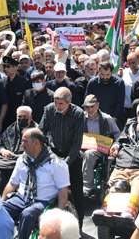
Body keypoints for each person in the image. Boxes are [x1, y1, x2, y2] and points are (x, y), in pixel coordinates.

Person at [2, 128, 70, 239]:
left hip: (42, 202)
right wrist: (2, 201)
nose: (22, 144)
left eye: (25, 141)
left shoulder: (56, 163)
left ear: (36, 143)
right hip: (21, 199)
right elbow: (12, 184)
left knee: (27, 214)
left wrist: (58, 216)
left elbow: (63, 190)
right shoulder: (22, 159)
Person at [39, 87, 85, 224]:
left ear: (69, 102)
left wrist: (66, 162)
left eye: (61, 104)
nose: (57, 106)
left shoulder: (78, 114)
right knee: (50, 190)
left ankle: (79, 225)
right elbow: (41, 132)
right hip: (53, 154)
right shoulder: (49, 109)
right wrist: (50, 154)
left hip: (72, 155)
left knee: (77, 192)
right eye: (55, 103)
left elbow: (77, 142)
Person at [81, 94, 120, 197]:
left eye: (92, 106)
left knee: (89, 154)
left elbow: (118, 135)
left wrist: (115, 145)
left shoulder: (107, 119)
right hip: (84, 146)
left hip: (100, 149)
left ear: (97, 105)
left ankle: (87, 187)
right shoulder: (81, 118)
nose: (89, 110)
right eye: (87, 107)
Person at [0, 106, 37, 192]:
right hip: (10, 158)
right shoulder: (10, 129)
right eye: (20, 117)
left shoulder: (37, 130)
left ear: (30, 117)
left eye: (24, 117)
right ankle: (3, 194)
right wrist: (3, 151)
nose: (22, 119)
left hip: (29, 158)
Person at [1, 55, 30, 130]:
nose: (6, 69)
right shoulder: (2, 83)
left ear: (15, 67)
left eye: (8, 67)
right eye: (4, 67)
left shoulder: (24, 82)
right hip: (6, 118)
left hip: (20, 117)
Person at [122, 52, 139, 119]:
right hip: (126, 107)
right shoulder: (124, 73)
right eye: (129, 63)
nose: (131, 65)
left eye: (133, 63)